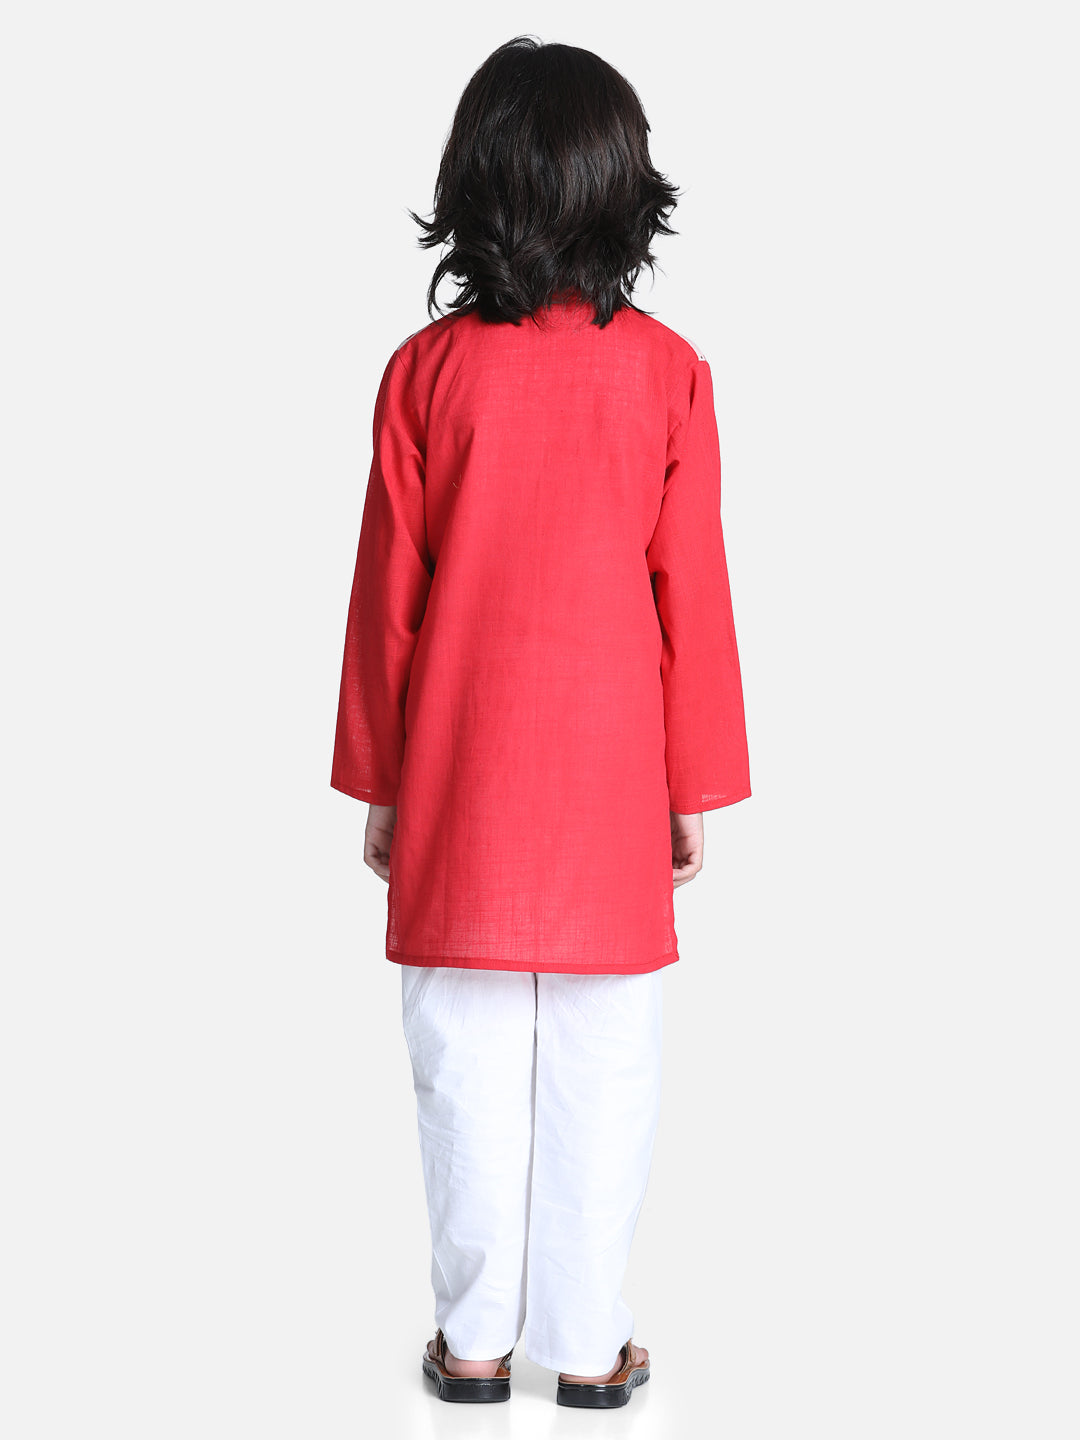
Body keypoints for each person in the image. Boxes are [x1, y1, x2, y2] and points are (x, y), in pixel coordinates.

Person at [330, 35, 751, 1409]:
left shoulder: (423, 374)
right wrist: (690, 786)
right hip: (613, 776)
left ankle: (470, 1346)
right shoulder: (670, 373)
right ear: (625, 191)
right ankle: (586, 1348)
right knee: (604, 1072)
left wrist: (382, 783)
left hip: (459, 772)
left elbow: (389, 601)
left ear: (475, 185)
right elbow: (693, 597)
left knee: (459, 1067)